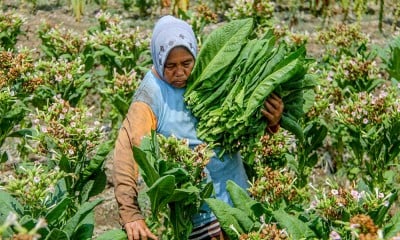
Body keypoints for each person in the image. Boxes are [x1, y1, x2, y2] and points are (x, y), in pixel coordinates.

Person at [112, 15, 284, 240]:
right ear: (158, 58)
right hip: (200, 214)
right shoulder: (150, 95)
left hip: (239, 196)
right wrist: (130, 211)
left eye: (186, 63)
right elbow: (127, 150)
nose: (180, 73)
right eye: (171, 66)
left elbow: (240, 122)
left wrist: (272, 121)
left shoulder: (209, 72)